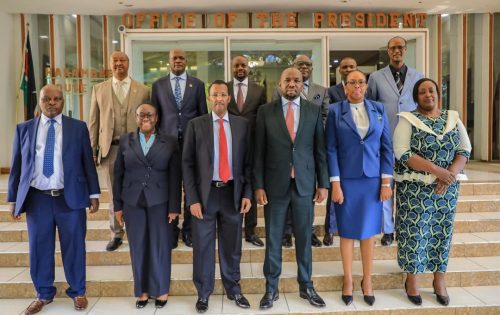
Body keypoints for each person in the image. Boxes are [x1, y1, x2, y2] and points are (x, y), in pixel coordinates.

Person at [7, 84, 100, 315]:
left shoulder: (78, 128)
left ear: (63, 102)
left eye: (57, 99)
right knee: (39, 248)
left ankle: (78, 291)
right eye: (47, 99)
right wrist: (12, 199)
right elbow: (17, 167)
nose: (52, 103)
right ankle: (43, 294)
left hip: (70, 199)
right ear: (40, 101)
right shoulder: (24, 129)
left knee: (75, 247)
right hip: (38, 200)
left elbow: (87, 162)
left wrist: (94, 193)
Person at [254, 68, 329, 309]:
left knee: (305, 237)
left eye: (297, 80)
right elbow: (258, 154)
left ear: (302, 83)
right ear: (279, 83)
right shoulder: (265, 112)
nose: (292, 84)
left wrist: (323, 184)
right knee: (274, 238)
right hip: (275, 185)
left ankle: (306, 285)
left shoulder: (313, 111)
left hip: (305, 184)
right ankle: (271, 288)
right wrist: (258, 186)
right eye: (287, 79)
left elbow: (320, 151)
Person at [393, 78, 471, 306]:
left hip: (445, 190)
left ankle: (439, 280)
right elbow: (402, 152)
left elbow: (464, 149)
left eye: (432, 90)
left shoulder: (453, 118)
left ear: (438, 94)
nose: (428, 95)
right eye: (422, 92)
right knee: (414, 233)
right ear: (416, 97)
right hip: (414, 189)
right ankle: (412, 280)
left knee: (441, 233)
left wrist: (450, 175)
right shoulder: (407, 120)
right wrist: (438, 171)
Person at [183, 80, 252, 313]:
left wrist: (247, 193)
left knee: (232, 246)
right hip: (205, 195)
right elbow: (187, 164)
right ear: (209, 98)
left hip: (233, 192)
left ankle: (233, 288)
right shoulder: (196, 125)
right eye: (215, 95)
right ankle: (203, 293)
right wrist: (192, 199)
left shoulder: (243, 125)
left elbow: (248, 163)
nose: (220, 98)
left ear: (229, 98)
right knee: (202, 246)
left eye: (224, 94)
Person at [325, 70, 393, 306]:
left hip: (372, 181)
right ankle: (348, 280)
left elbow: (387, 148)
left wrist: (386, 181)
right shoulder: (335, 111)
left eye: (361, 82)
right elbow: (330, 149)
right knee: (346, 232)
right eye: (352, 82)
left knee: (368, 233)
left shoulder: (379, 109)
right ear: (344, 87)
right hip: (346, 181)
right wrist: (335, 183)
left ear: (366, 86)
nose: (357, 86)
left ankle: (367, 280)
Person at [113, 104, 182, 309]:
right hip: (132, 202)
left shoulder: (169, 141)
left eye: (149, 114)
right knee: (138, 246)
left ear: (157, 117)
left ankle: (161, 289)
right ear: (136, 117)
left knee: (160, 246)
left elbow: (175, 176)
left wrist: (174, 206)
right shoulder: (126, 140)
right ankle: (142, 291)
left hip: (160, 201)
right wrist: (118, 206)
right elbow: (118, 175)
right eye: (141, 114)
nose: (145, 118)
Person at [89, 51, 150, 252]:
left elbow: (149, 122)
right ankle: (116, 234)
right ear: (110, 63)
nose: (118, 64)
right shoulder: (99, 89)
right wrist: (92, 150)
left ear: (128, 63)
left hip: (136, 150)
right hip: (111, 149)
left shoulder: (142, 90)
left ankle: (136, 231)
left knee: (136, 191)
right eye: (114, 60)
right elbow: (94, 122)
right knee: (114, 194)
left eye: (122, 60)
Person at [367, 36, 424, 246]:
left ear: (405, 50)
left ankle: (405, 227)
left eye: (400, 47)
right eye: (393, 48)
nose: (397, 51)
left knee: (408, 187)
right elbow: (371, 109)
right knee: (386, 186)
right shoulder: (375, 77)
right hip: (385, 141)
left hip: (411, 142)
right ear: (388, 51)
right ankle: (388, 230)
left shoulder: (418, 76)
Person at [152, 48, 208, 248]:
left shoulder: (198, 85)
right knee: (170, 187)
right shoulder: (158, 85)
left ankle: (189, 230)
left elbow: (203, 117)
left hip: (192, 144)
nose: (177, 61)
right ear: (169, 61)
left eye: (181, 58)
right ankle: (172, 229)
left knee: (191, 185)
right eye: (174, 58)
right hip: (167, 145)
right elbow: (154, 116)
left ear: (187, 61)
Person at [272, 54, 330, 248]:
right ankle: (287, 232)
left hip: (309, 149)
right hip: (284, 153)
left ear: (311, 69)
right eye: (300, 64)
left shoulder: (320, 90)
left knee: (306, 196)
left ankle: (308, 232)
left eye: (308, 65)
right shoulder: (279, 89)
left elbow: (324, 116)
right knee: (286, 193)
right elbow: (276, 117)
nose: (304, 67)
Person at [227, 55, 267, 247]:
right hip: (227, 144)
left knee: (249, 184)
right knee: (231, 185)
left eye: (243, 65)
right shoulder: (223, 89)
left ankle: (251, 231)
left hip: (252, 144)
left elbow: (263, 117)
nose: (240, 68)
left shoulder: (259, 90)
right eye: (237, 65)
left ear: (248, 68)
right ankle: (231, 229)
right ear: (232, 68)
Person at [323, 56, 358, 247]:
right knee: (334, 194)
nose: (347, 69)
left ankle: (353, 229)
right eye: (344, 67)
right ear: (340, 71)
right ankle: (329, 231)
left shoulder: (362, 89)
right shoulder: (332, 91)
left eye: (351, 66)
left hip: (357, 153)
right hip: (338, 149)